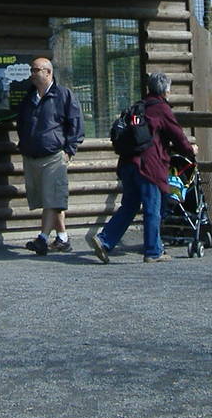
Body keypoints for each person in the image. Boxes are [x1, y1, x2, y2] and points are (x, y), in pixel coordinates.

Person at [89, 71, 196, 264]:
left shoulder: (139, 106)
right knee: (153, 207)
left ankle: (104, 240)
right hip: (149, 166)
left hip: (128, 164)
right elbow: (177, 135)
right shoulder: (161, 109)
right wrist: (191, 151)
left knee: (129, 205)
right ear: (166, 90)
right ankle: (153, 251)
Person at [14, 56, 83, 255]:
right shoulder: (30, 97)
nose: (32, 74)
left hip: (54, 156)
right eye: (31, 70)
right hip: (32, 156)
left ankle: (42, 238)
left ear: (48, 72)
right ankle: (62, 238)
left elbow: (76, 124)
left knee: (52, 198)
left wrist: (69, 151)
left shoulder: (63, 95)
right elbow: (21, 123)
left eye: (36, 70)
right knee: (50, 199)